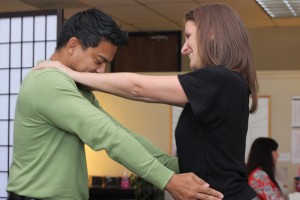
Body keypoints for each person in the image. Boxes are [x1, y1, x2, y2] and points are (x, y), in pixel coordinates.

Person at [35, 3, 259, 200]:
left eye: (188, 36)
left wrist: (67, 72)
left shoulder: (221, 79)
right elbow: (140, 99)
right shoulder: (222, 85)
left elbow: (137, 88)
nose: (183, 48)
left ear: (211, 32)